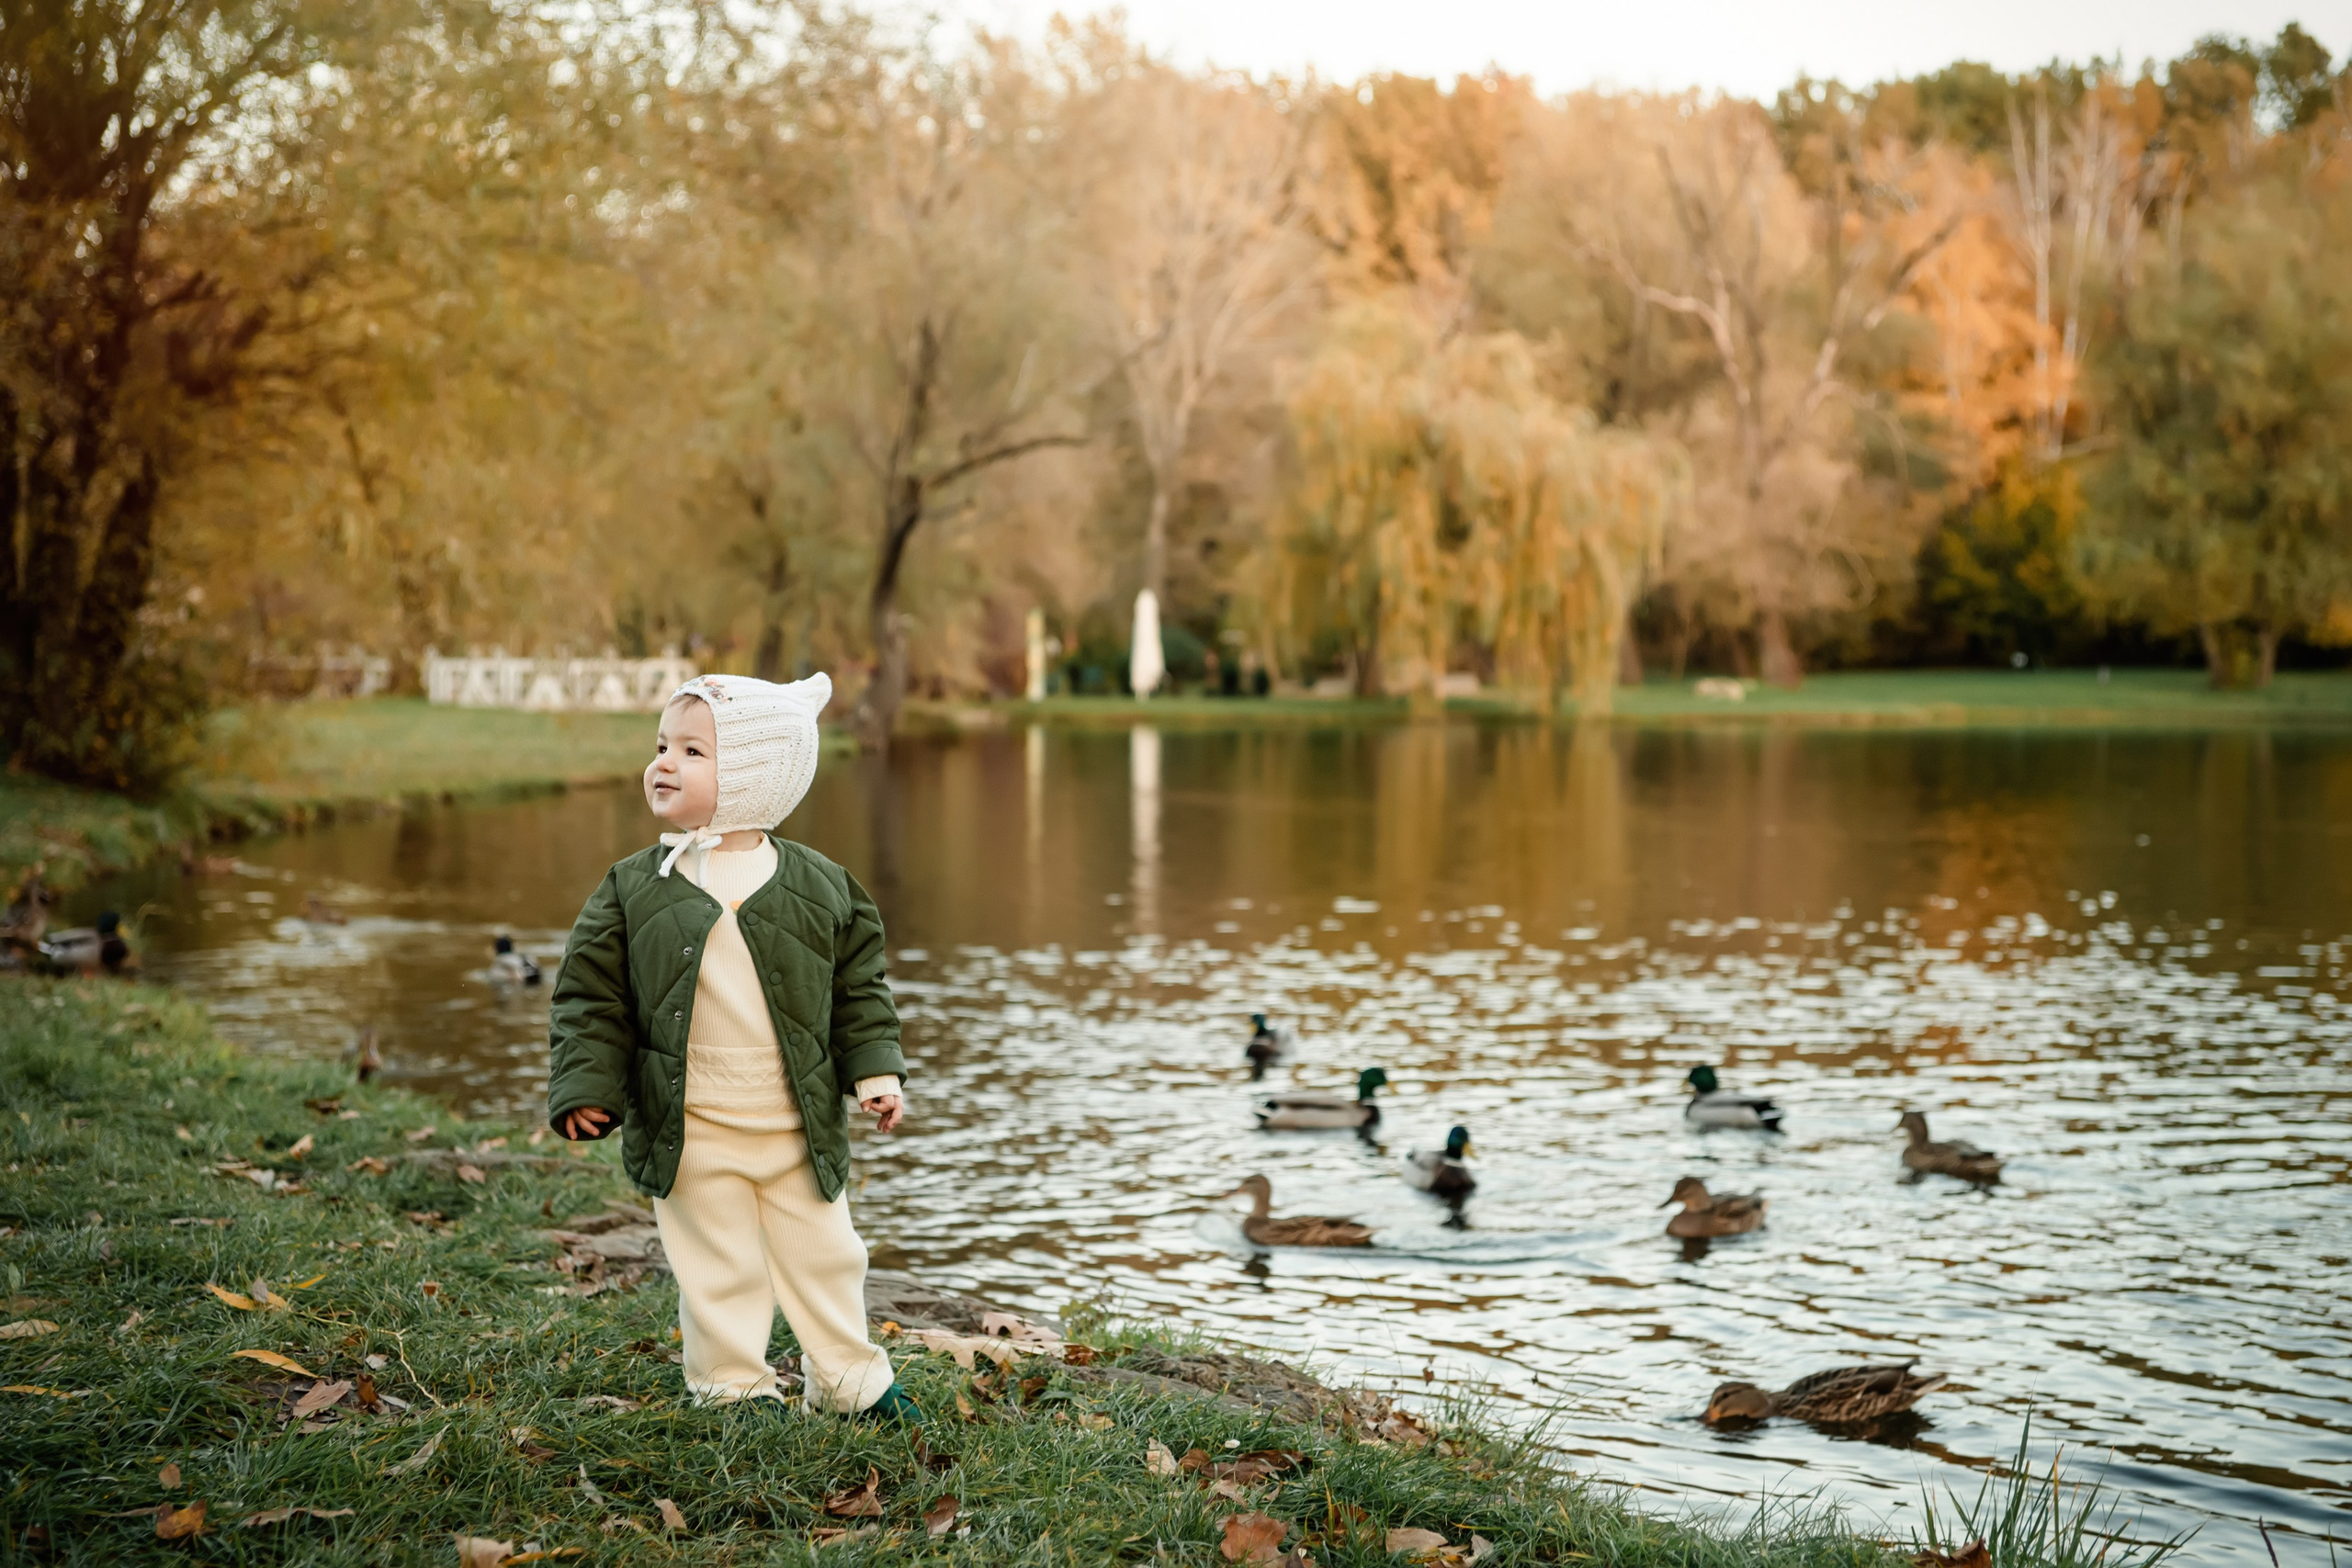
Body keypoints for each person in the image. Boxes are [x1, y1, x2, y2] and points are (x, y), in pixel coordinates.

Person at [546, 671, 918, 1421]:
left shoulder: (823, 888)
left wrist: (874, 1069)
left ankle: (849, 1380)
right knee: (719, 1265)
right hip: (692, 1125)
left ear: (753, 775)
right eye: (661, 746)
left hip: (795, 1120)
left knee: (827, 1255)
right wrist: (587, 1086)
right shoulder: (632, 889)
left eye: (692, 750)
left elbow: (860, 989)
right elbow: (590, 995)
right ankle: (732, 1387)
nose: (664, 764)